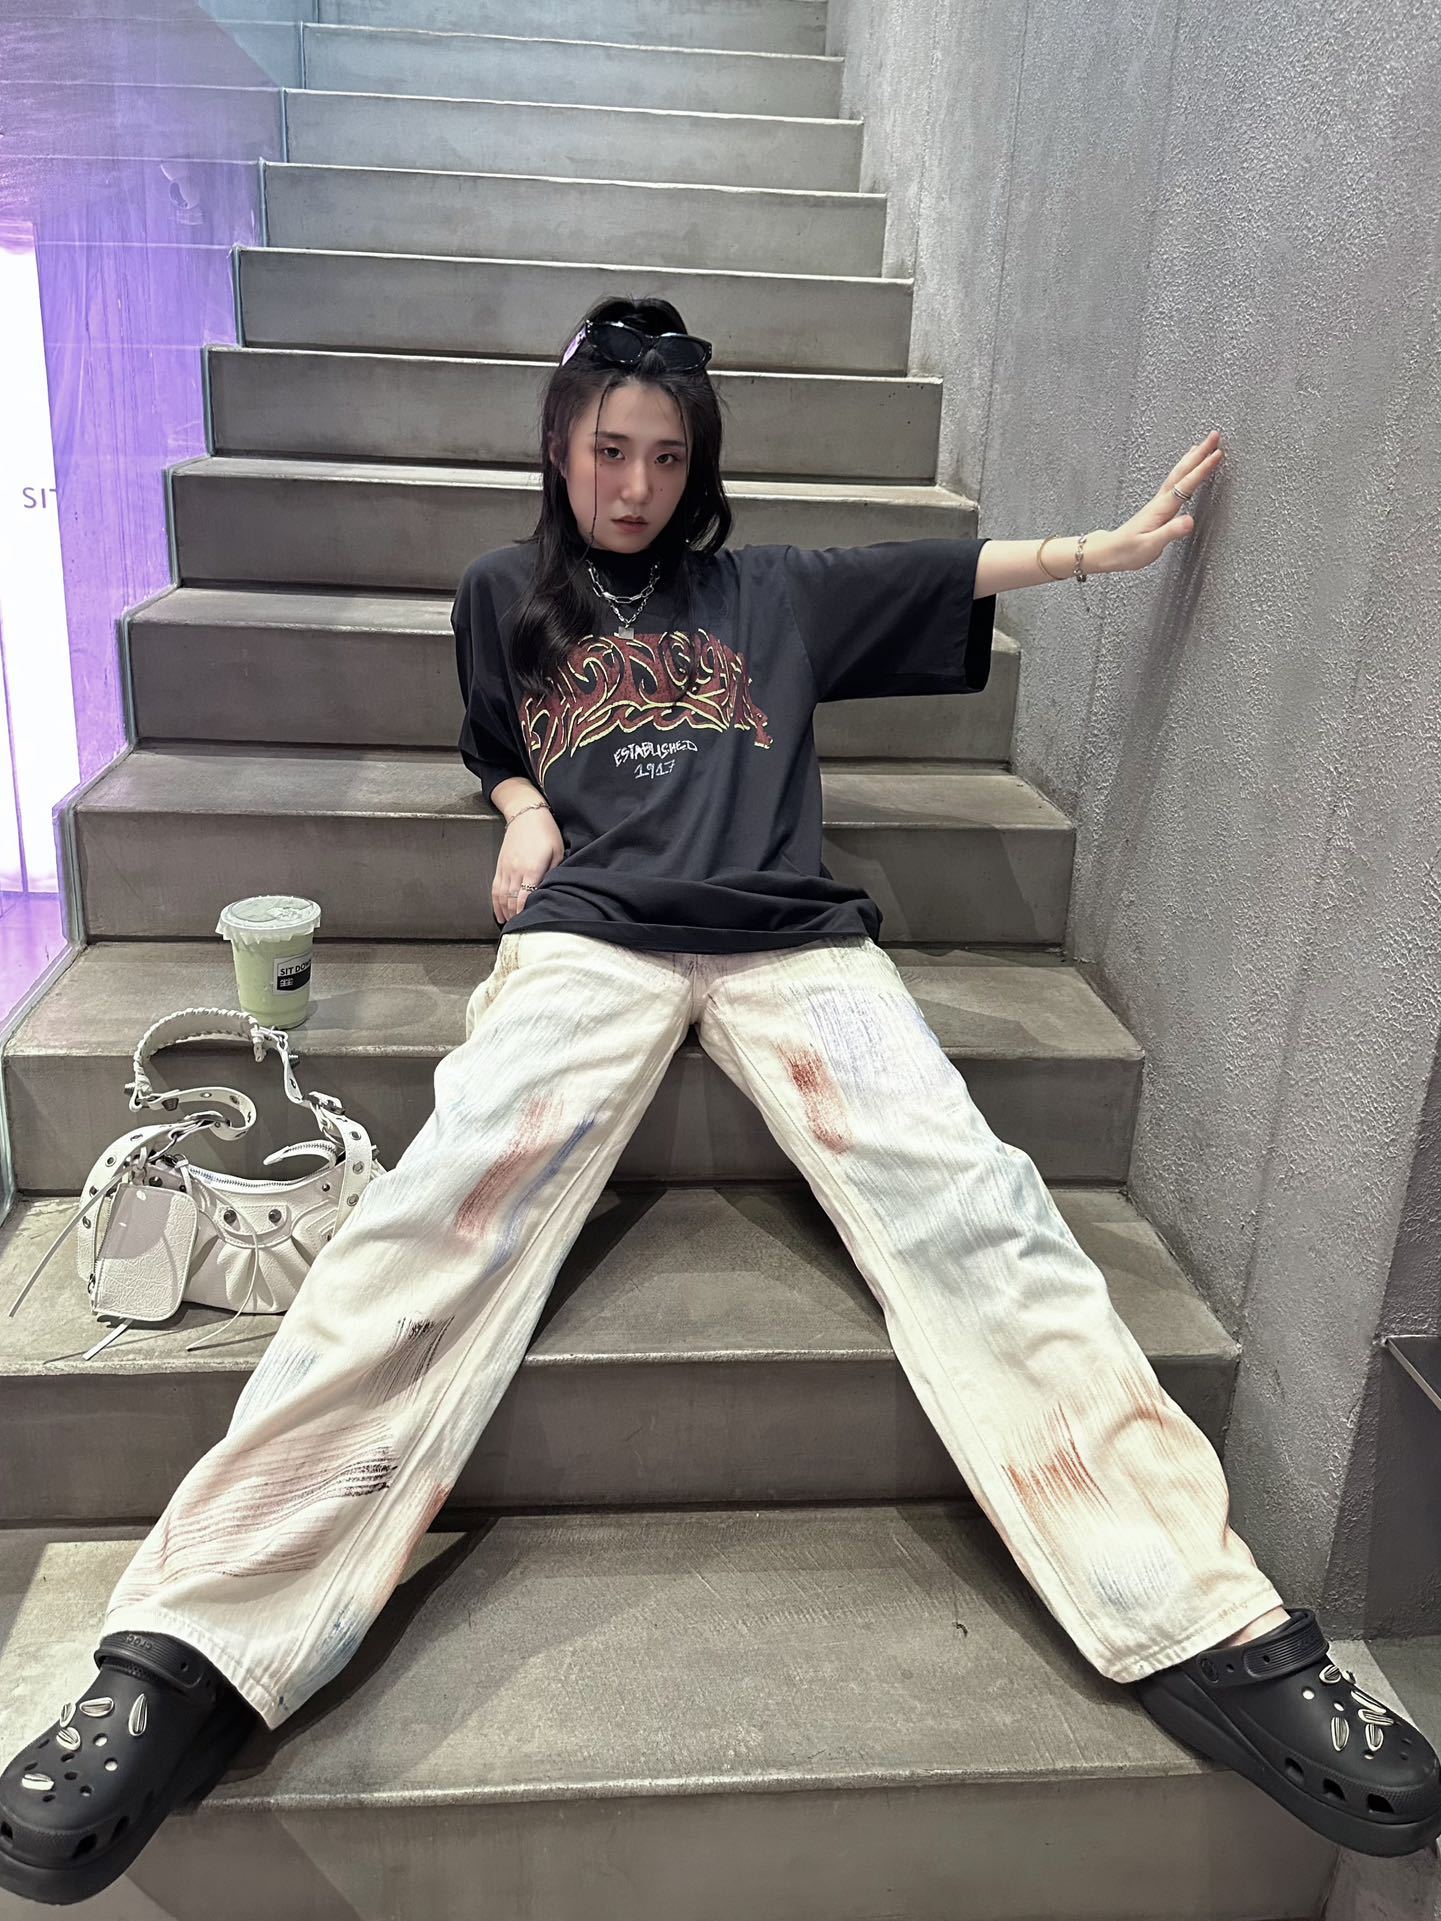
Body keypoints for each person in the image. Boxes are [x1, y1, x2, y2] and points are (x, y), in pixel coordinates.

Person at [2, 294, 1436, 1905]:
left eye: (667, 456)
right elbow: (492, 735)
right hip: (587, 940)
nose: (635, 484)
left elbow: (951, 570)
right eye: (609, 449)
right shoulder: (499, 595)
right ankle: (189, 1644)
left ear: (699, 467)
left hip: (789, 947)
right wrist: (523, 808)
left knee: (977, 1208)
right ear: (559, 446)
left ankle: (1209, 1623)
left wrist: (1101, 551)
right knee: (432, 1217)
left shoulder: (768, 591)